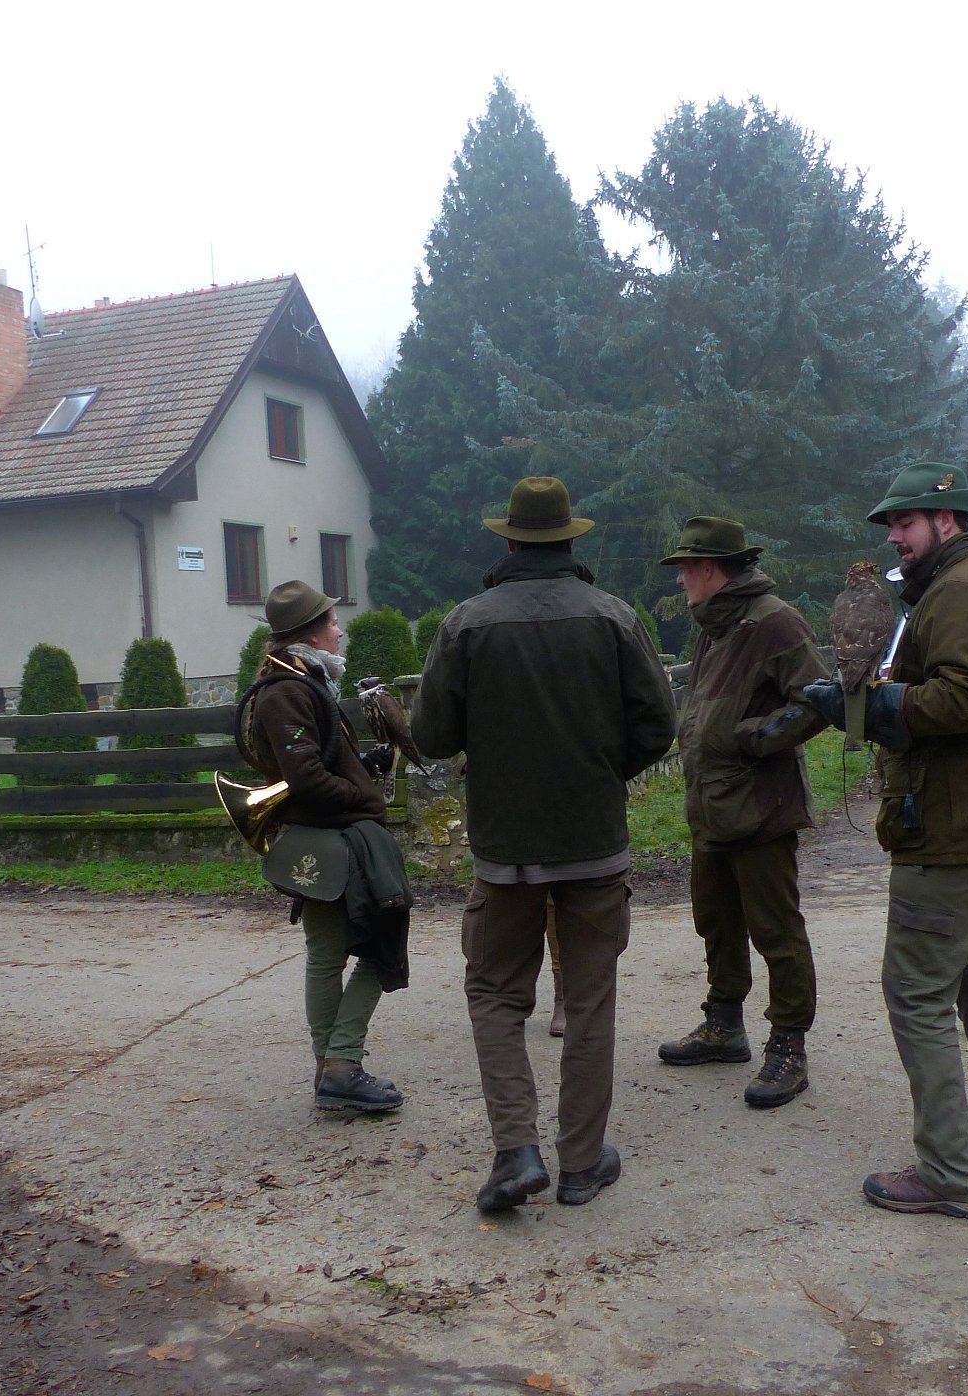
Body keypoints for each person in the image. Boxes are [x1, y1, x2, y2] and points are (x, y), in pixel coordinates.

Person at [412, 476, 676, 1213]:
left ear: (508, 542)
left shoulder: (466, 624)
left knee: (496, 992)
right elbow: (659, 726)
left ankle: (516, 1151)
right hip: (594, 842)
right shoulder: (614, 617)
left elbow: (432, 736)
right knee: (590, 1001)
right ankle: (582, 1163)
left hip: (506, 850)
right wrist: (601, 772)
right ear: (569, 539)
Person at [806, 461, 968, 1219]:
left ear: (949, 521)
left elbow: (966, 700)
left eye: (905, 522)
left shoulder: (963, 589)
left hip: (956, 821)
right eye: (890, 525)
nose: (894, 537)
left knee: (916, 992)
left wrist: (877, 707)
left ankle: (950, 1171)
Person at [655, 516, 829, 1108]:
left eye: (685, 568)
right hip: (712, 805)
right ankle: (724, 1026)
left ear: (710, 568)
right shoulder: (716, 627)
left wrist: (751, 739)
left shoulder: (774, 622)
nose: (680, 579)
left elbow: (817, 701)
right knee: (717, 920)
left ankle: (789, 1047)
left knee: (776, 931)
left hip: (761, 808)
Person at [242, 580, 407, 1114]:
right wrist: (365, 796)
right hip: (332, 839)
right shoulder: (286, 691)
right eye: (332, 621)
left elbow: (319, 761)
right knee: (375, 949)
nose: (340, 629)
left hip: (329, 836)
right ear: (311, 633)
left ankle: (334, 1069)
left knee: (330, 955)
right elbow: (307, 777)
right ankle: (340, 1065)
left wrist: (364, 766)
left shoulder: (305, 681)